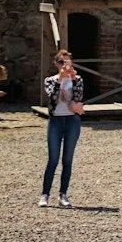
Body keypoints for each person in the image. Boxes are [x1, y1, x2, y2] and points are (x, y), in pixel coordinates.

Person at [40, 48, 84, 208]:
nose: (63, 65)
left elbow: (78, 98)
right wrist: (60, 79)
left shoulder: (77, 79)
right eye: (61, 62)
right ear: (55, 63)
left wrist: (72, 79)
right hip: (56, 121)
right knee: (53, 159)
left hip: (72, 120)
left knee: (67, 160)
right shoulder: (50, 80)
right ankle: (45, 194)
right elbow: (52, 97)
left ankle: (63, 194)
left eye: (66, 62)